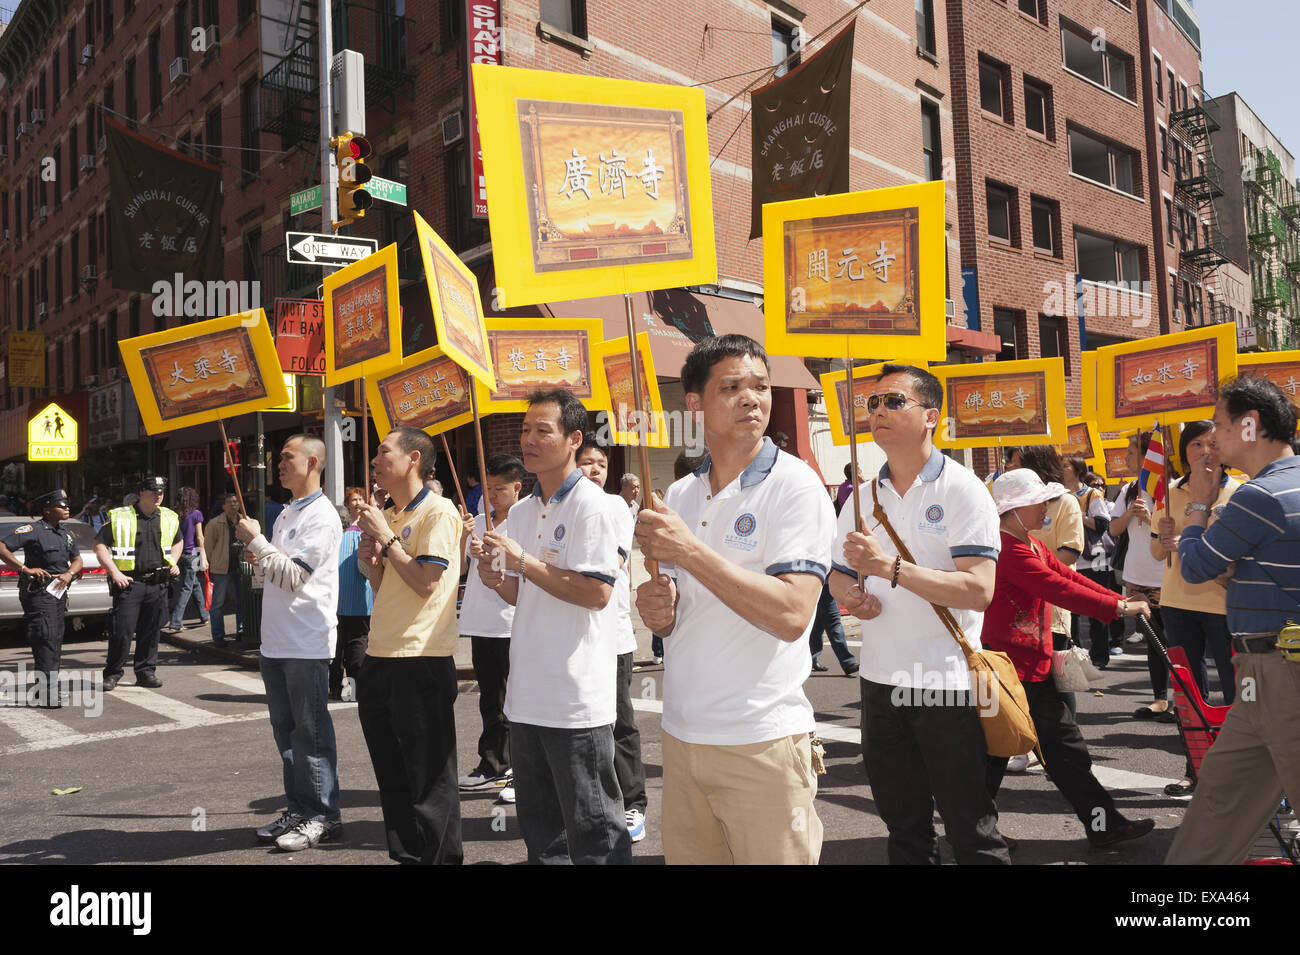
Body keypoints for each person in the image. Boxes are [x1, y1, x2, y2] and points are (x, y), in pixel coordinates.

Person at [636, 335, 832, 865]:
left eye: (761, 386)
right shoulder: (680, 496)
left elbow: (793, 614)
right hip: (681, 735)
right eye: (732, 387)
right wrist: (660, 605)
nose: (752, 398)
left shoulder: (796, 486)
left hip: (762, 740)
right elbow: (675, 611)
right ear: (695, 403)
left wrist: (691, 554)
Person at [828, 363, 1010, 865]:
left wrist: (889, 568)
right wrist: (852, 595)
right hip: (880, 681)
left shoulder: (962, 489)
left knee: (970, 826)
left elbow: (978, 590)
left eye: (893, 401)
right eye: (872, 403)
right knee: (903, 825)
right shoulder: (863, 498)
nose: (878, 411)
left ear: (931, 415)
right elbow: (837, 573)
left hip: (946, 681)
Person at [477, 389, 628, 865]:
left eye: (543, 430)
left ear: (573, 439)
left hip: (575, 698)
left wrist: (523, 562)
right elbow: (524, 595)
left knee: (595, 828)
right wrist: (496, 578)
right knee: (543, 834)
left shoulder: (594, 506)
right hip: (526, 697)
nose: (529, 440)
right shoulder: (518, 513)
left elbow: (595, 593)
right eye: (525, 430)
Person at [1165, 376, 1300, 865]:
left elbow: (1198, 565)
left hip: (1279, 670)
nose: (1212, 437)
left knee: (1221, 804)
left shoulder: (1259, 497)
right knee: (1220, 800)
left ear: (1251, 425)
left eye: (1219, 425)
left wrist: (1200, 500)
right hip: (1262, 671)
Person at [985, 468, 1156, 848]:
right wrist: (1120, 607)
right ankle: (974, 834)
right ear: (1013, 510)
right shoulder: (1008, 549)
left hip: (1031, 665)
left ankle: (1102, 826)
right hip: (1010, 669)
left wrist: (1118, 602)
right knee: (1008, 755)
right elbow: (1058, 587)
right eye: (1038, 501)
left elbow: (1068, 576)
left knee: (1055, 754)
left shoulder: (1028, 542)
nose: (1046, 506)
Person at [354, 428, 464, 865]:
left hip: (421, 660)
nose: (375, 460)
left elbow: (425, 582)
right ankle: (408, 857)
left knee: (429, 782)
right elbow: (388, 588)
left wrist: (387, 538)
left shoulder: (438, 512)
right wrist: (371, 565)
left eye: (384, 452)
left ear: (413, 459)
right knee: (393, 777)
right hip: (381, 656)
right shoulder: (390, 513)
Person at [237, 435, 343, 852]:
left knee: (311, 734)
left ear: (312, 462)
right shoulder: (285, 514)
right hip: (276, 641)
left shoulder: (322, 515)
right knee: (286, 733)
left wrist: (259, 543)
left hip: (305, 641)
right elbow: (278, 578)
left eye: (286, 457)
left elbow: (296, 577)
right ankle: (299, 808)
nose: (277, 464)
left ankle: (324, 815)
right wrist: (259, 557)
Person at [1150, 420, 1240, 797]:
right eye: (1196, 444)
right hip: (1177, 603)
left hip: (1225, 607)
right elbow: (1156, 551)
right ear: (1182, 451)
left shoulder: (1240, 492)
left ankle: (1239, 774)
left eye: (1211, 443)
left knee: (1238, 693)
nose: (1205, 451)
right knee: (1188, 693)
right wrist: (1168, 540)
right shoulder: (1169, 493)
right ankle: (1195, 770)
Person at [576, 432, 649, 844]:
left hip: (614, 636)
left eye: (602, 465)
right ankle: (593, 803)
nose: (595, 470)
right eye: (588, 463)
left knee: (621, 723)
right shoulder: (556, 507)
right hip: (576, 639)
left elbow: (610, 562)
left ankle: (633, 802)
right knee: (586, 726)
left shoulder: (615, 507)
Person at [457, 454, 524, 797]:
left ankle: (517, 767)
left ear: (516, 488)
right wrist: (462, 538)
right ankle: (492, 763)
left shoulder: (525, 521)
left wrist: (489, 555)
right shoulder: (478, 520)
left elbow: (519, 573)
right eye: (488, 488)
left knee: (515, 699)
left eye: (499, 489)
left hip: (510, 623)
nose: (492, 495)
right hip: (481, 622)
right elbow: (459, 570)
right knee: (489, 699)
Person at [95, 475, 182, 692]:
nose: (158, 495)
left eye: (161, 492)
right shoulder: (120, 516)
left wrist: (174, 561)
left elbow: (179, 540)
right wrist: (115, 572)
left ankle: (146, 672)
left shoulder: (169, 516)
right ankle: (113, 673)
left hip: (158, 583)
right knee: (122, 631)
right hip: (129, 584)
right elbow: (99, 545)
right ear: (141, 492)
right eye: (153, 491)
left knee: (151, 631)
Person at [1109, 432, 1171, 722]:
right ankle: (1160, 698)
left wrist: (1150, 519)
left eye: (1132, 452)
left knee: (1172, 639)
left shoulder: (1168, 488)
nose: (1127, 457)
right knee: (1152, 639)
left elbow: (1171, 531)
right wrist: (1130, 515)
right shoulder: (1129, 490)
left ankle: (1184, 697)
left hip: (1166, 576)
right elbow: (1114, 530)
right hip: (1136, 574)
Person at [0, 489, 82, 707]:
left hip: (58, 591)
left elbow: (78, 559)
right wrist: (24, 568)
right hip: (38, 592)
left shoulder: (65, 533)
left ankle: (44, 691)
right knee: (45, 638)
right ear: (47, 509)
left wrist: (69, 573)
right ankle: (47, 694)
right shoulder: (33, 530)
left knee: (54, 639)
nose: (66, 508)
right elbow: (2, 546)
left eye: (67, 505)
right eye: (61, 505)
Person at [1063, 455, 1122, 669]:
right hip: (1070, 558)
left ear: (1078, 470)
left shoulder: (1092, 494)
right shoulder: (1059, 493)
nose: (1061, 469)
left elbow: (1103, 524)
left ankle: (1099, 655)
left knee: (1097, 608)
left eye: (1066, 465)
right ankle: (1074, 653)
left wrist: (1077, 516)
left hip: (1094, 559)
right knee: (1071, 611)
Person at [332, 487, 372, 702]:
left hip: (341, 603)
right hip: (355, 602)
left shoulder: (335, 541)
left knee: (339, 650)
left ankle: (335, 689)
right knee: (354, 648)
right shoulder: (361, 537)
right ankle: (353, 691)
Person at [164, 487, 210, 634]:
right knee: (187, 587)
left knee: (194, 584)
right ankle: (176, 622)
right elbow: (199, 537)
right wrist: (203, 555)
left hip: (177, 555)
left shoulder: (173, 515)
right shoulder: (196, 514)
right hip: (191, 554)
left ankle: (204, 615)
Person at [202, 493, 244, 647]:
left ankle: (241, 631)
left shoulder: (244, 521)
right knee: (217, 603)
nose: (233, 505)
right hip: (222, 570)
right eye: (229, 502)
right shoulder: (214, 524)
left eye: (235, 502)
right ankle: (218, 636)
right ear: (223, 506)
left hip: (241, 568)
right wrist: (214, 563)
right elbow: (208, 547)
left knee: (242, 602)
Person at [809, 582, 858, 675]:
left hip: (815, 583)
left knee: (817, 624)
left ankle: (811, 658)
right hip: (823, 583)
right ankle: (848, 662)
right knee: (833, 624)